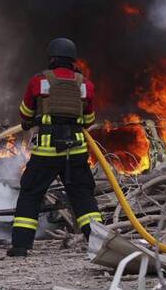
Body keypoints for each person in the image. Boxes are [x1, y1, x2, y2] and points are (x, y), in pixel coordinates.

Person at [8, 37, 100, 257]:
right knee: (83, 197)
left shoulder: (39, 81)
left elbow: (26, 113)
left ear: (52, 58)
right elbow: (89, 119)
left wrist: (37, 117)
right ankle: (99, 245)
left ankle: (21, 246)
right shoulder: (85, 85)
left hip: (46, 153)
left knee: (30, 194)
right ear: (73, 60)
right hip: (75, 152)